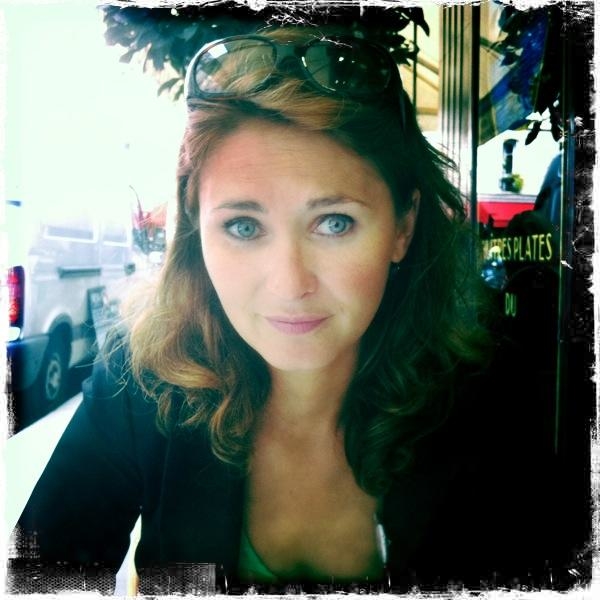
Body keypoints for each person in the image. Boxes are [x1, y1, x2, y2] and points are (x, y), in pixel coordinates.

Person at [15, 25, 563, 594]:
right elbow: (42, 579)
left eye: (335, 223)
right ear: (196, 230)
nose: (290, 284)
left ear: (403, 227)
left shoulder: (487, 403)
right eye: (243, 226)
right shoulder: (143, 385)